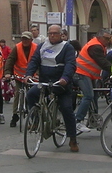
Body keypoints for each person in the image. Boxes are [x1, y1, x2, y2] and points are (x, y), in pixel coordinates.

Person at [24, 23, 78, 151]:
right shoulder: (42, 46)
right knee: (31, 95)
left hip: (60, 85)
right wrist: (28, 74)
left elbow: (70, 64)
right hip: (44, 83)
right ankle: (36, 120)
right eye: (50, 33)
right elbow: (34, 60)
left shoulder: (67, 48)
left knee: (66, 108)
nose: (52, 36)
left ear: (61, 35)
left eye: (55, 33)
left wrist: (65, 78)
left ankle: (72, 138)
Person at [73, 28, 112, 132]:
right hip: (81, 73)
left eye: (109, 38)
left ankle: (93, 120)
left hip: (88, 75)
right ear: (99, 37)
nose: (108, 40)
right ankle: (77, 121)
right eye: (106, 38)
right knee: (89, 96)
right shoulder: (95, 46)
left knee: (95, 96)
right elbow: (102, 62)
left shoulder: (99, 45)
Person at [4, 31, 37, 127]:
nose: (24, 41)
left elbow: (40, 61)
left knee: (32, 96)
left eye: (27, 39)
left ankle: (33, 115)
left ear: (31, 40)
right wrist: (7, 73)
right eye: (23, 39)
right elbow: (10, 60)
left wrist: (38, 74)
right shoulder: (17, 47)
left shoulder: (36, 48)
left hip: (32, 77)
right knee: (17, 94)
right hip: (19, 75)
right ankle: (15, 115)